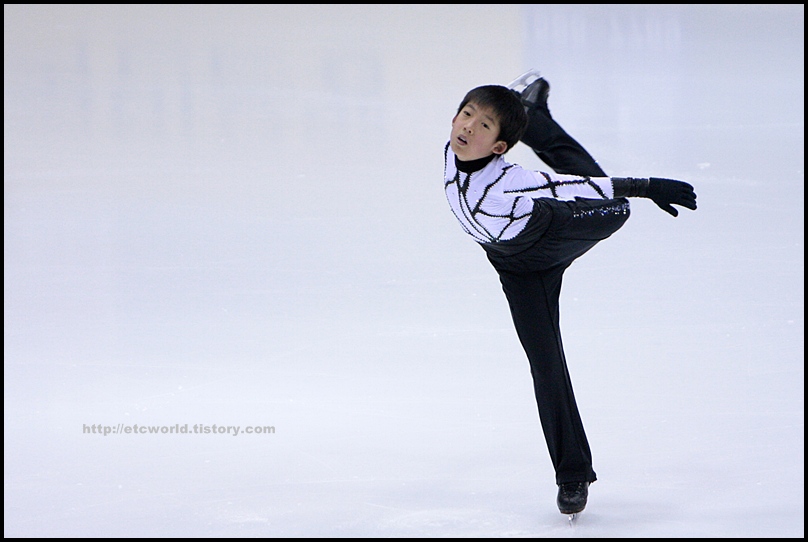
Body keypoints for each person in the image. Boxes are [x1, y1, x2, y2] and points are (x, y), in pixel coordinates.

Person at [443, 70, 697, 516]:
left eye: (483, 125)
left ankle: (530, 114)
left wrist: (645, 187)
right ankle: (573, 474)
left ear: (500, 147)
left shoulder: (510, 179)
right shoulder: (452, 148)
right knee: (546, 366)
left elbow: (571, 185)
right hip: (516, 268)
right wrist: (499, 109)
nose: (467, 127)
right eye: (466, 115)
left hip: (554, 233)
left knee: (614, 209)